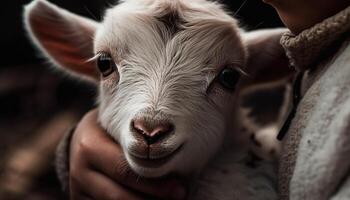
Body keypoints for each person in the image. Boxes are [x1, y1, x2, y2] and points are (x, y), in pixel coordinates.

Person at [56, 0, 350, 199]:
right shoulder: (314, 58)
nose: (151, 122)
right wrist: (88, 156)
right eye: (106, 64)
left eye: (227, 78)